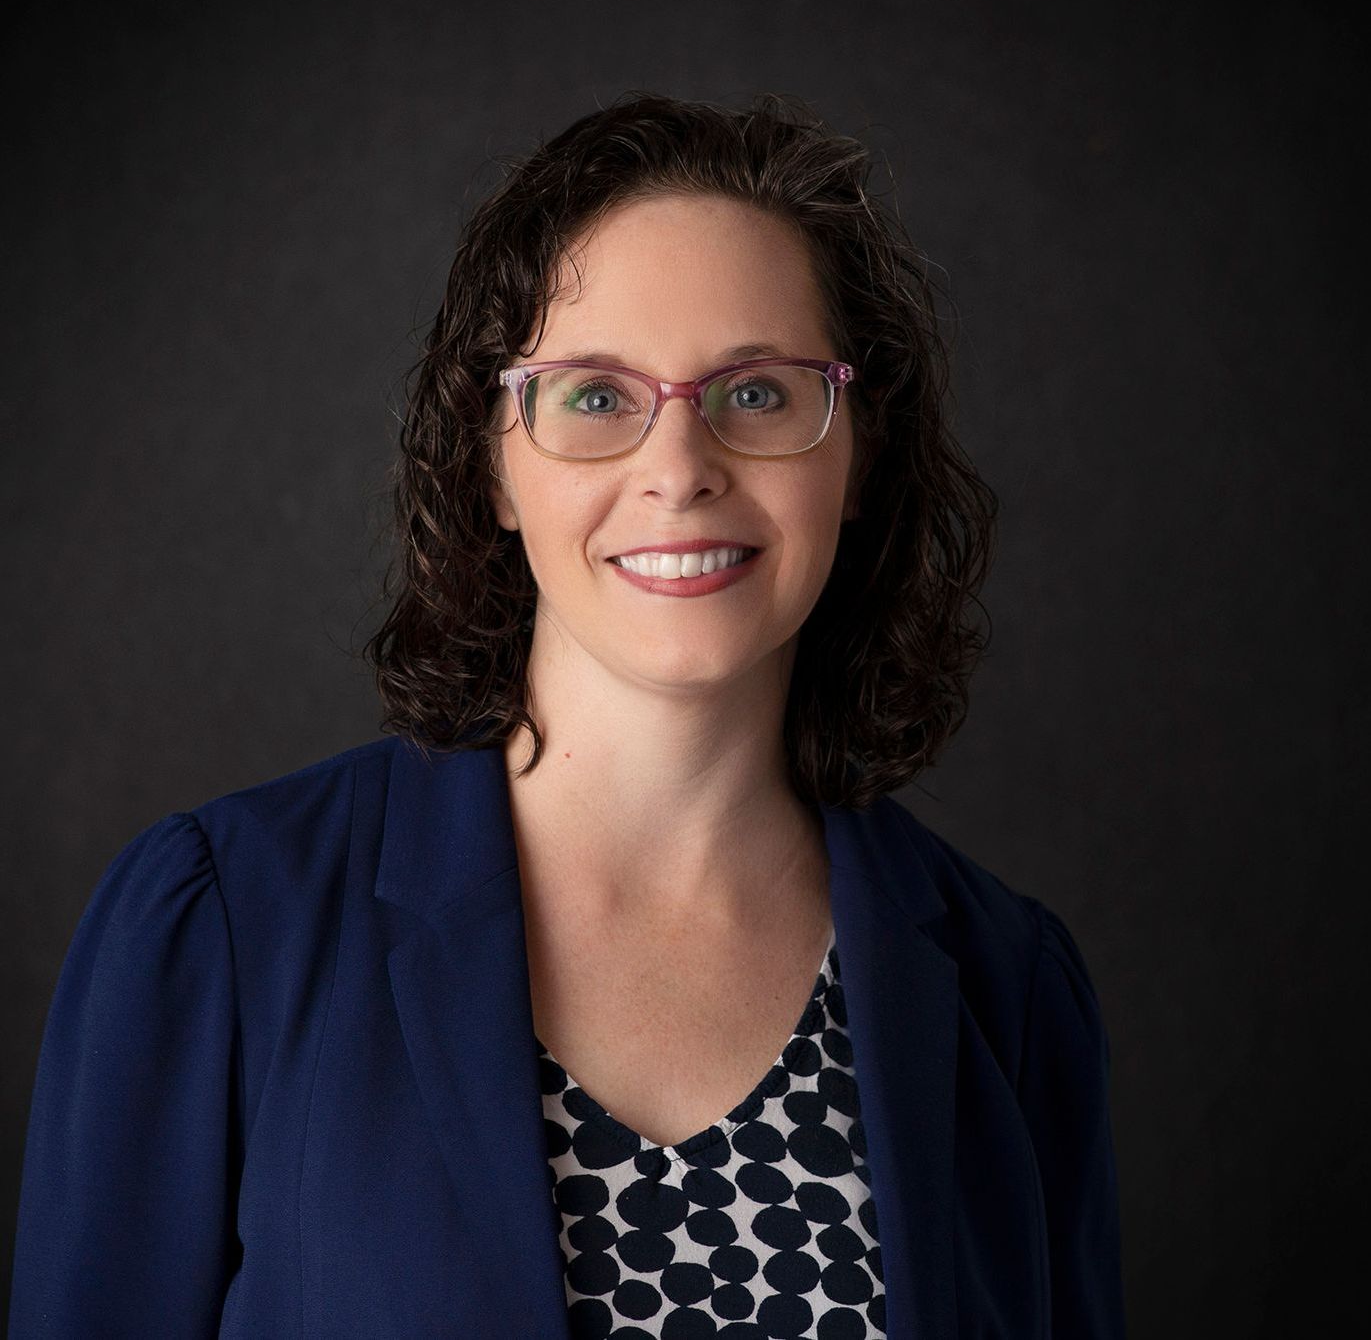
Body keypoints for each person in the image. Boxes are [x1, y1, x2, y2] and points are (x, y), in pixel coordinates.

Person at [8, 92, 1125, 1338]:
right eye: (595, 396)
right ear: (489, 459)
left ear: (856, 450)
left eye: (758, 393)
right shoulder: (220, 929)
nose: (680, 462)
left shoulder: (1007, 992)